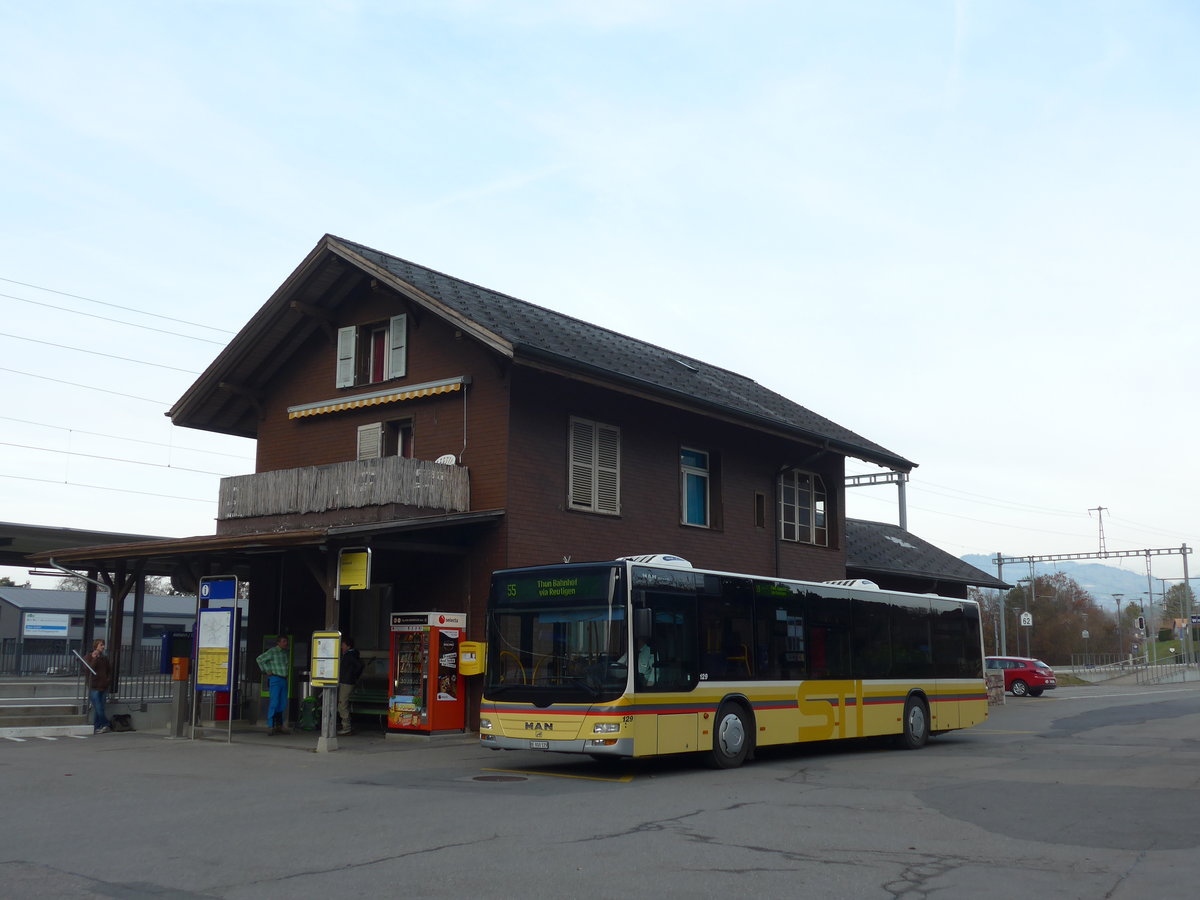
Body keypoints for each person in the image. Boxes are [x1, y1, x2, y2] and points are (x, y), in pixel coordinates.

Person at [256, 635, 291, 735]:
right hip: (275, 678)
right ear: (278, 643)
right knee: (274, 702)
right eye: (284, 641)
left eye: (286, 641)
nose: (286, 643)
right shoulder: (272, 651)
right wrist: (267, 670)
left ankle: (279, 725)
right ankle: (270, 725)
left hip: (284, 678)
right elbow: (259, 659)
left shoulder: (286, 653)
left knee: (282, 703)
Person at [337, 636, 364, 736]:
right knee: (342, 704)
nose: (341, 647)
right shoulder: (352, 654)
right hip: (347, 681)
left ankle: (346, 727)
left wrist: (352, 675)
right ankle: (346, 725)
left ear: (348, 646)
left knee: (342, 704)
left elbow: (359, 665)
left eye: (343, 645)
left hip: (347, 682)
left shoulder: (349, 656)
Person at [84, 638, 112, 734]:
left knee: (100, 707)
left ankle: (97, 726)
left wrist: (108, 680)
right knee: (98, 706)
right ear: (96, 646)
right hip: (94, 686)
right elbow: (89, 669)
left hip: (103, 686)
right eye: (101, 645)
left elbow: (109, 670)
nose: (103, 647)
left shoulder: (104, 658)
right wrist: (95, 658)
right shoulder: (89, 657)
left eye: (103, 645)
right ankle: (106, 724)